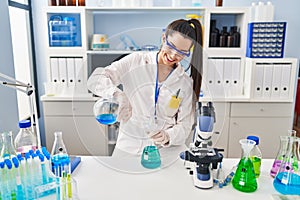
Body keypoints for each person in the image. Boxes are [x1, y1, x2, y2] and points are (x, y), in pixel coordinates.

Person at [87, 18, 203, 156]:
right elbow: (95, 80)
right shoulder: (135, 61)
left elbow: (185, 126)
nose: (173, 55)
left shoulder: (184, 83)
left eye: (181, 53)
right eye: (171, 46)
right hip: (129, 147)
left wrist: (168, 136)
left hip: (165, 152)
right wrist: (116, 94)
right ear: (163, 38)